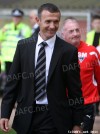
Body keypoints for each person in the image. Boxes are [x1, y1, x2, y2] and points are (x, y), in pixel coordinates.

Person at [0, 3, 84, 134]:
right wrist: (5, 113)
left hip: (54, 117)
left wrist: (77, 123)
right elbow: (12, 83)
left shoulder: (68, 51)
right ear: (37, 20)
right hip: (26, 115)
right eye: (48, 21)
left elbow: (75, 90)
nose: (52, 26)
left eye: (56, 22)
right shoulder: (23, 46)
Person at [61, 17, 100, 134]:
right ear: (63, 34)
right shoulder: (57, 52)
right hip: (63, 105)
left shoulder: (92, 51)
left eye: (77, 30)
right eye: (71, 31)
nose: (76, 34)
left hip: (86, 105)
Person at [0, 9, 31, 75]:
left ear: (21, 18)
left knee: (16, 79)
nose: (16, 18)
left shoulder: (26, 29)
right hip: (6, 58)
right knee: (8, 79)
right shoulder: (6, 27)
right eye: (14, 16)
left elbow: (28, 44)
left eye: (18, 17)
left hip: (18, 58)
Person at [86, 14, 100, 116]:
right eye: (96, 22)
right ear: (92, 24)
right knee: (93, 84)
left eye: (99, 22)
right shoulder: (89, 34)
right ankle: (94, 107)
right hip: (91, 63)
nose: (98, 24)